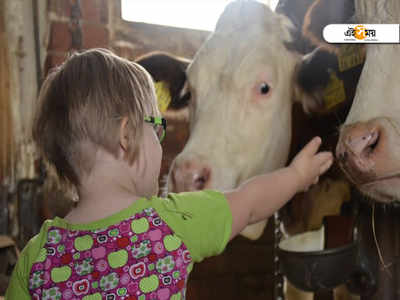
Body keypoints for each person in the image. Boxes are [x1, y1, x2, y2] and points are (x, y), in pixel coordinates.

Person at [5, 48, 333, 300]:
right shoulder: (170, 224)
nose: (160, 141)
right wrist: (296, 175)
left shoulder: (37, 257)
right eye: (157, 126)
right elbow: (249, 203)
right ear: (126, 135)